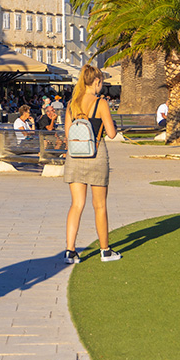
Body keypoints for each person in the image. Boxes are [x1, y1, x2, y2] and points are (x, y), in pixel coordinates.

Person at [62, 64, 121, 264]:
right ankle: (105, 250)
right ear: (96, 82)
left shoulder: (72, 104)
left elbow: (67, 134)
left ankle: (70, 251)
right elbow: (112, 134)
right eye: (101, 83)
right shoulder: (100, 103)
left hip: (75, 157)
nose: (101, 87)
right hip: (96, 155)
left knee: (76, 205)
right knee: (100, 206)